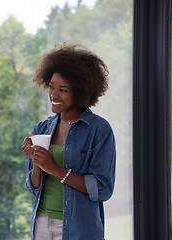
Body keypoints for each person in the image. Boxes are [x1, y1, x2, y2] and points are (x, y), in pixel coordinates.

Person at [22, 44, 116, 240]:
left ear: (81, 91)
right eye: (51, 86)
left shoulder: (99, 130)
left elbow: (103, 189)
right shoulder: (41, 128)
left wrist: (55, 169)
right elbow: (34, 187)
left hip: (79, 228)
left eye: (63, 90)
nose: (53, 95)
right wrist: (37, 162)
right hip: (41, 224)